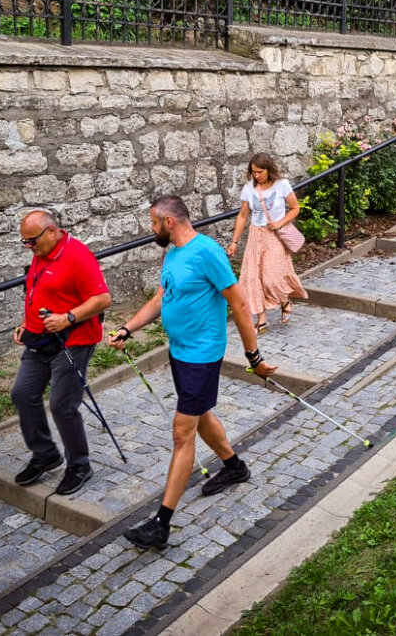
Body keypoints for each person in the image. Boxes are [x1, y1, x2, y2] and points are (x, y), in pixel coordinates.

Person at [111, 196, 277, 549]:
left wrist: (254, 356)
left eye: (153, 223)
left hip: (202, 355)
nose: (152, 229)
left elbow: (239, 303)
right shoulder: (173, 255)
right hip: (180, 352)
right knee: (200, 415)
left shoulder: (207, 252)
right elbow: (160, 299)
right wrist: (128, 328)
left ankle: (161, 524)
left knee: (181, 433)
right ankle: (234, 467)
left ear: (169, 221)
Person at [10, 210, 112, 496]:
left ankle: (79, 465)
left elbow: (103, 298)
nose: (28, 246)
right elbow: (39, 292)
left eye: (32, 240)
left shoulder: (77, 256)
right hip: (39, 339)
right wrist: (26, 325)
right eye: (24, 241)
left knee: (62, 404)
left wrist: (68, 317)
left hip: (73, 340)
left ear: (52, 231)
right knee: (22, 393)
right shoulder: (41, 252)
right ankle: (45, 454)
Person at [227, 153, 306, 332]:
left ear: (269, 170)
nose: (256, 176)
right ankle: (261, 320)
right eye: (254, 172)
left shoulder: (282, 185)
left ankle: (285, 301)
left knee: (272, 278)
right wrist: (234, 242)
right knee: (253, 278)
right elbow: (243, 215)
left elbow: (295, 208)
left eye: (260, 172)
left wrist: (279, 223)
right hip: (256, 235)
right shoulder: (249, 188)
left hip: (274, 236)